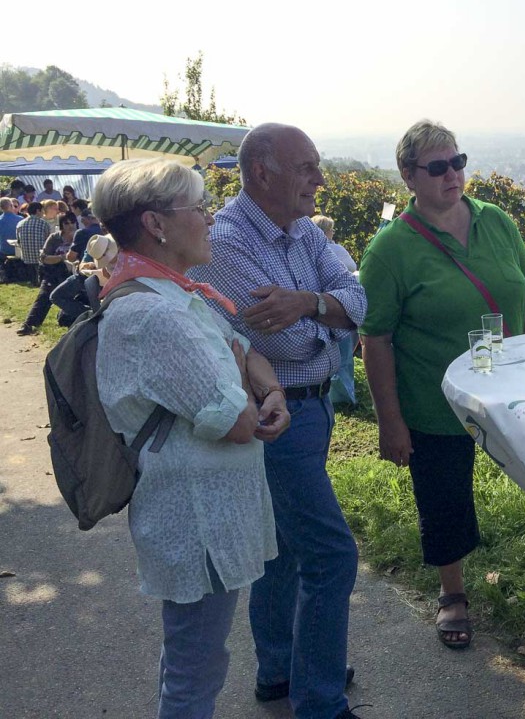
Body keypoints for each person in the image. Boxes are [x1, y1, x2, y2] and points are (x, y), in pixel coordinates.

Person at [89, 158, 289, 718]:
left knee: (196, 660)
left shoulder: (174, 295)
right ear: (157, 224)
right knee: (195, 669)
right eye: (197, 208)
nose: (207, 219)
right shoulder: (155, 316)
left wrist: (264, 387)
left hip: (209, 515)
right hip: (195, 520)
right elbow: (236, 424)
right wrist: (257, 399)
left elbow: (245, 351)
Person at [189, 123, 367, 719]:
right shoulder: (229, 240)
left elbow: (359, 296)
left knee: (283, 549)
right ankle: (319, 699)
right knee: (331, 553)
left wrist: (310, 302)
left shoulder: (299, 233)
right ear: (262, 173)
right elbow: (285, 344)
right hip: (279, 414)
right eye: (307, 167)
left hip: (314, 409)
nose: (319, 179)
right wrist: (327, 319)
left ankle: (280, 668)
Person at [359, 119, 525, 650]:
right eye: (438, 167)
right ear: (408, 176)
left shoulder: (496, 221)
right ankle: (453, 595)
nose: (452, 175)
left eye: (458, 162)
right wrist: (390, 421)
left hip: (515, 391)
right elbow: (376, 338)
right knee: (444, 497)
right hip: (436, 400)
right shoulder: (391, 249)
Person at [311, 214, 359, 407]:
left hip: (315, 308)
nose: (333, 232)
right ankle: (344, 395)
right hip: (337, 306)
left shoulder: (307, 248)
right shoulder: (334, 249)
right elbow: (351, 266)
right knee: (343, 353)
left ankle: (328, 392)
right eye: (331, 229)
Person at [17, 212, 76, 335]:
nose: (70, 225)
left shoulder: (79, 237)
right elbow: (44, 258)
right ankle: (29, 324)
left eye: (72, 222)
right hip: (54, 272)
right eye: (66, 223)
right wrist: (62, 257)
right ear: (61, 225)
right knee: (44, 295)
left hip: (73, 273)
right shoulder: (55, 238)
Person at [15, 202, 52, 285]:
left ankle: (33, 280)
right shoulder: (44, 223)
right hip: (41, 257)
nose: (43, 212)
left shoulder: (20, 224)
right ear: (38, 211)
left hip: (26, 257)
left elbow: (18, 240)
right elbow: (48, 241)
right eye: (42, 210)